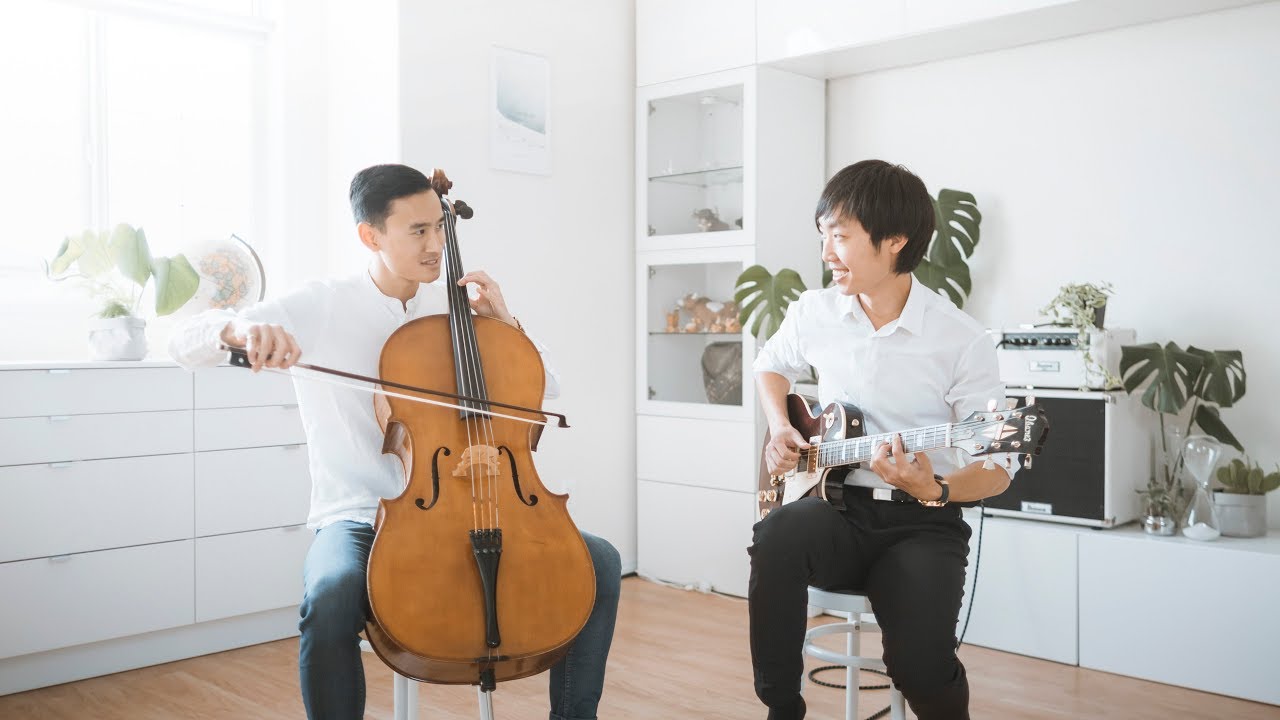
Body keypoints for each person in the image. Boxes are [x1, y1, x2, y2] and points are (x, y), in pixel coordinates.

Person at [169, 163, 620, 720]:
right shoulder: (323, 304)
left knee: (600, 561)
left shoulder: (452, 306)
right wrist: (238, 330)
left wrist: (507, 323)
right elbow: (183, 342)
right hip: (358, 513)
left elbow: (543, 389)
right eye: (418, 231)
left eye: (440, 227)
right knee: (330, 593)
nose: (436, 245)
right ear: (371, 236)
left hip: (475, 503)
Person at [747, 160, 1017, 720]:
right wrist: (781, 426)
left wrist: (935, 487)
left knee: (922, 670)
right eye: (823, 235)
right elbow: (770, 365)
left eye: (840, 237)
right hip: (834, 510)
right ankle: (781, 706)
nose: (827, 252)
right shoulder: (814, 311)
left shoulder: (960, 339)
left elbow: (998, 466)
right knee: (777, 534)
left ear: (895, 240)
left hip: (922, 524)